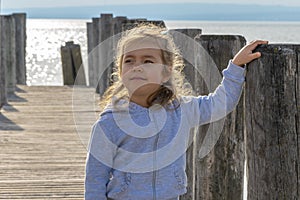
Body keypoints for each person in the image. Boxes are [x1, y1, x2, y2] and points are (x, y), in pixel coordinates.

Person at [85, 23, 268, 200]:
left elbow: (219, 104)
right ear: (120, 71)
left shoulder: (181, 110)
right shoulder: (110, 122)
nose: (137, 66)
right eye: (129, 61)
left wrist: (236, 67)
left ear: (166, 72)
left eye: (148, 60)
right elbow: (95, 176)